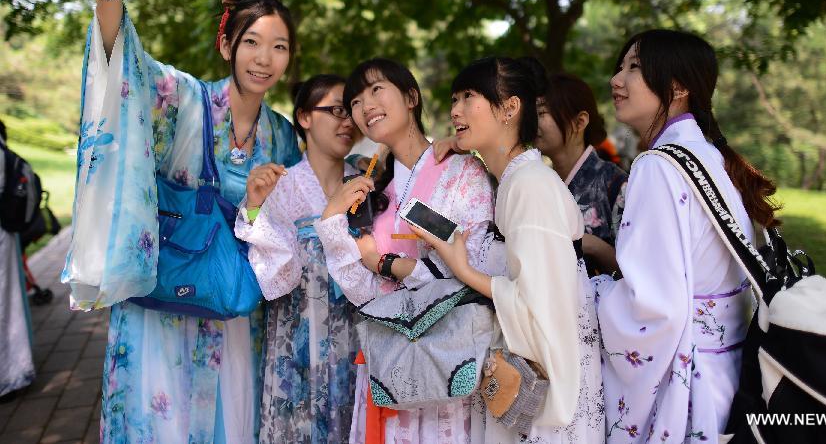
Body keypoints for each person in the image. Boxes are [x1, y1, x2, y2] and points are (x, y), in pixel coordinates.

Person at [64, 0, 301, 443]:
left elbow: (290, 225)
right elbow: (123, 69)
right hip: (160, 306)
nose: (264, 58)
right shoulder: (183, 100)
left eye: (278, 46)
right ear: (225, 44)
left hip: (231, 312)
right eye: (252, 42)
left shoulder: (282, 137)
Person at [594, 30, 778, 442]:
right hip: (725, 373)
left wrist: (589, 293)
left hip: (687, 392)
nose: (616, 80)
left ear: (677, 87)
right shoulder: (707, 157)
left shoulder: (658, 166)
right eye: (620, 67)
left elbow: (653, 309)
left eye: (634, 68)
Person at [416, 57, 605, 443]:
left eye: (469, 97)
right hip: (538, 379)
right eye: (454, 99)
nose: (455, 110)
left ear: (510, 108)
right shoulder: (517, 180)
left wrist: (464, 269)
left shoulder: (529, 185)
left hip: (547, 394)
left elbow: (539, 305)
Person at [314, 58, 497, 443]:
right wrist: (332, 223)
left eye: (376, 89)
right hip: (391, 364)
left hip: (447, 359)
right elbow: (365, 294)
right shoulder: (373, 190)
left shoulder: (462, 171)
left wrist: (384, 263)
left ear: (411, 96)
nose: (365, 106)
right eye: (356, 102)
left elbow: (469, 271)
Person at [234, 74, 360, 442]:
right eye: (335, 110)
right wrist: (256, 207)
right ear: (304, 117)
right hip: (297, 350)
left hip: (357, 346)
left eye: (350, 110)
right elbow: (276, 281)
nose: (347, 121)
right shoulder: (280, 184)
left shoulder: (366, 181)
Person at [535, 73, 628, 275]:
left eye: (541, 113)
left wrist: (593, 245)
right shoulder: (540, 183)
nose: (533, 123)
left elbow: (637, 273)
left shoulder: (614, 182)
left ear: (580, 122)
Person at [0, 119, 35, 399]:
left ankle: (11, 373)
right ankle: (16, 369)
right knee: (10, 303)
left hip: (3, 238)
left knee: (6, 304)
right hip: (6, 237)